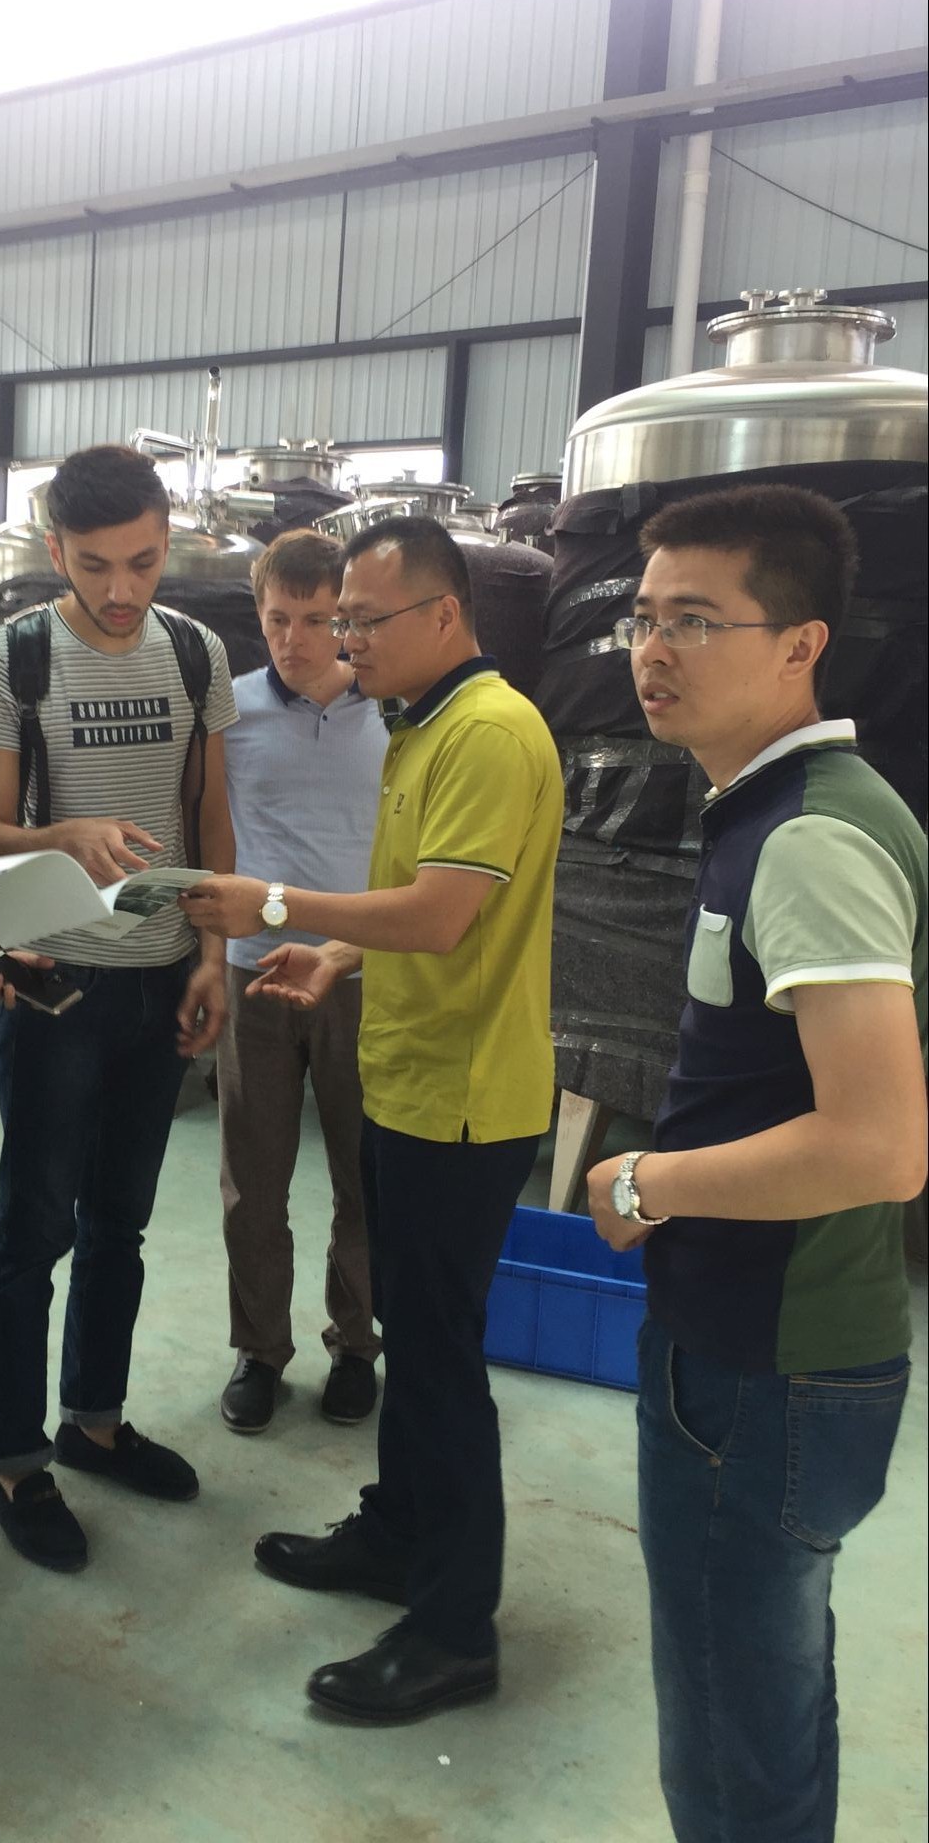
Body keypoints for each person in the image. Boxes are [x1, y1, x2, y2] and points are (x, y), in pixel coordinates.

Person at [584, 484, 926, 1843]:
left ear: (800, 645)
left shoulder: (809, 838)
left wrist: (644, 1184)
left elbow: (879, 1143)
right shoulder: (766, 809)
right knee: (760, 1696)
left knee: (733, 1732)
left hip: (767, 1361)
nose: (652, 651)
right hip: (762, 1344)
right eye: (641, 618)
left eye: (695, 621)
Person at [184, 515, 562, 1723]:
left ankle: (454, 1632)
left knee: (440, 1367)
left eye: (360, 620)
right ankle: (399, 1535)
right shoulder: (419, 725)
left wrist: (274, 905)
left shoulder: (487, 732)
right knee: (412, 1333)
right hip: (411, 1075)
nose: (341, 640)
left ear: (445, 614)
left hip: (463, 1100)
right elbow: (414, 897)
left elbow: (443, 916)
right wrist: (340, 954)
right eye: (327, 618)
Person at [0, 443, 237, 1574]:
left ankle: (95, 1422)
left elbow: (210, 820)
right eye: (96, 564)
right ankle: (16, 1459)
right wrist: (62, 833)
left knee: (121, 1220)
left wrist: (213, 956)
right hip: (57, 983)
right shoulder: (6, 660)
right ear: (54, 547)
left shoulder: (194, 652)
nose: (122, 590)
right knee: (33, 1230)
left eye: (144, 562)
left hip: (164, 974)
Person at [216, 530, 387, 1435]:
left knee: (365, 1175)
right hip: (255, 974)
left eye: (316, 620)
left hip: (361, 972)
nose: (294, 640)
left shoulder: (395, 714)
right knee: (254, 1179)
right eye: (277, 619)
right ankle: (259, 1351)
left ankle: (355, 1345)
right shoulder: (230, 714)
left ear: (347, 619)